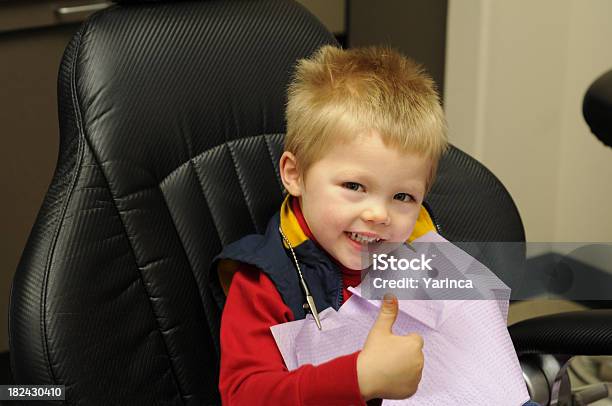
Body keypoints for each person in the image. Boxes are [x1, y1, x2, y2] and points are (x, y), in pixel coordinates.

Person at [213, 45, 537, 405]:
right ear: (295, 174)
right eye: (354, 187)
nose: (379, 215)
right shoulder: (265, 285)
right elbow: (244, 396)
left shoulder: (419, 248)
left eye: (403, 197)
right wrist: (359, 378)